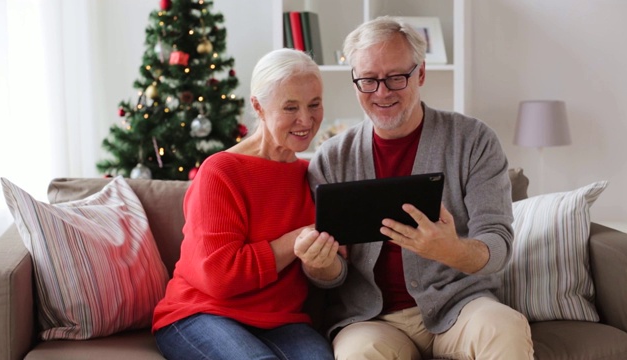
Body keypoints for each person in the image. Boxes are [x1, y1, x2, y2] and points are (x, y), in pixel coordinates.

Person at [296, 16, 534, 360]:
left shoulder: (473, 140)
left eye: (396, 77)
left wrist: (450, 250)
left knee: (504, 327)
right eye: (368, 80)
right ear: (355, 81)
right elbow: (332, 277)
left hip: (461, 306)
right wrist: (319, 265)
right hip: (371, 319)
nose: (382, 92)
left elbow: (498, 245)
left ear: (420, 73)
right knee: (357, 355)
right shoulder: (332, 158)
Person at [152, 48, 334, 360]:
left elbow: (334, 262)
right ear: (258, 107)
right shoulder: (220, 172)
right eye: (290, 107)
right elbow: (221, 277)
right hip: (201, 312)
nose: (306, 119)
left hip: (281, 321)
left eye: (314, 104)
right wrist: (296, 240)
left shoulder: (312, 175)